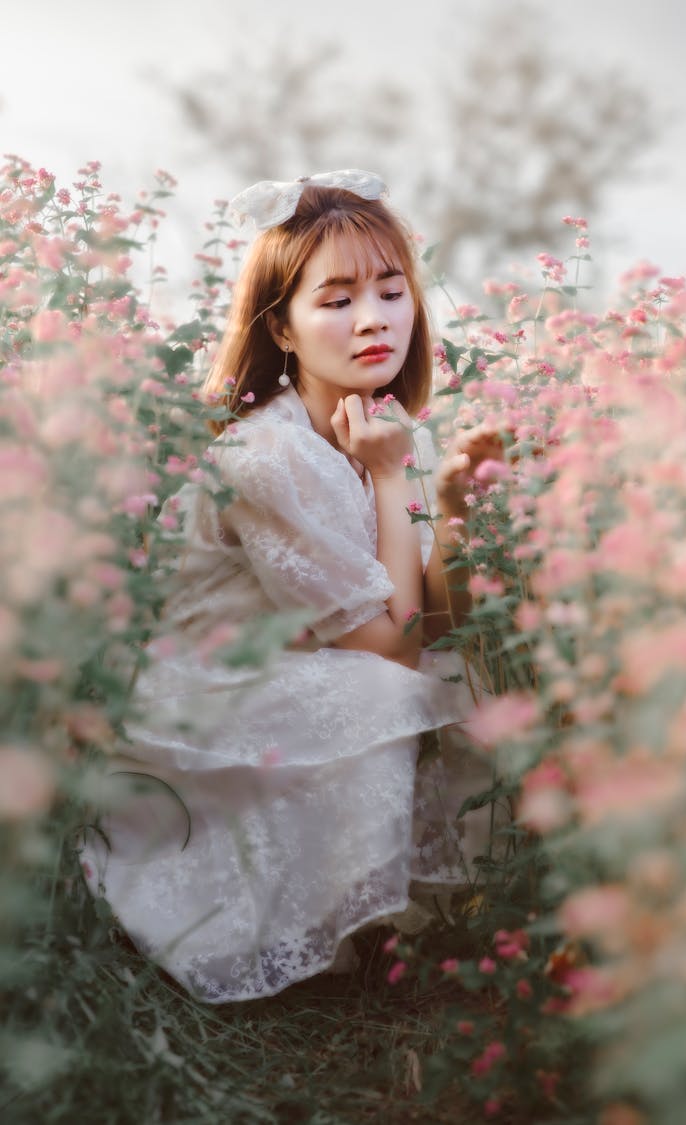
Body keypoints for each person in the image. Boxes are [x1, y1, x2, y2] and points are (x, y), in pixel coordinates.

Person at [80, 170, 500, 1003]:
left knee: (479, 681)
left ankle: (420, 934)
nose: (374, 317)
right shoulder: (269, 456)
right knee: (392, 692)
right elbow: (397, 647)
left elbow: (440, 615)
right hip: (204, 704)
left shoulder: (372, 425)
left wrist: (454, 512)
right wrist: (390, 480)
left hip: (295, 671)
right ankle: (315, 942)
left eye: (390, 289)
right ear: (283, 325)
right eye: (337, 298)